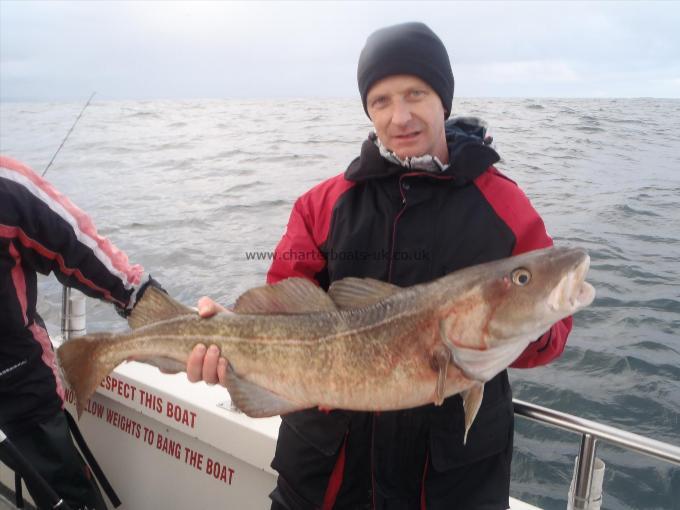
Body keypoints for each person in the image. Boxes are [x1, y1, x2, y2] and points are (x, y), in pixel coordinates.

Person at [187, 22, 573, 510]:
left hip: (448, 488)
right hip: (326, 479)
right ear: (368, 110)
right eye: (382, 100)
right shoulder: (323, 203)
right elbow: (282, 308)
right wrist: (233, 345)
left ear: (444, 99)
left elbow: (551, 335)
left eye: (417, 93)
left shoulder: (503, 205)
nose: (400, 116)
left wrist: (525, 324)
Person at [0, 155, 161, 510]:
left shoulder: (5, 185)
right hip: (18, 386)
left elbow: (70, 242)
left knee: (64, 489)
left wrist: (140, 296)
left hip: (16, 387)